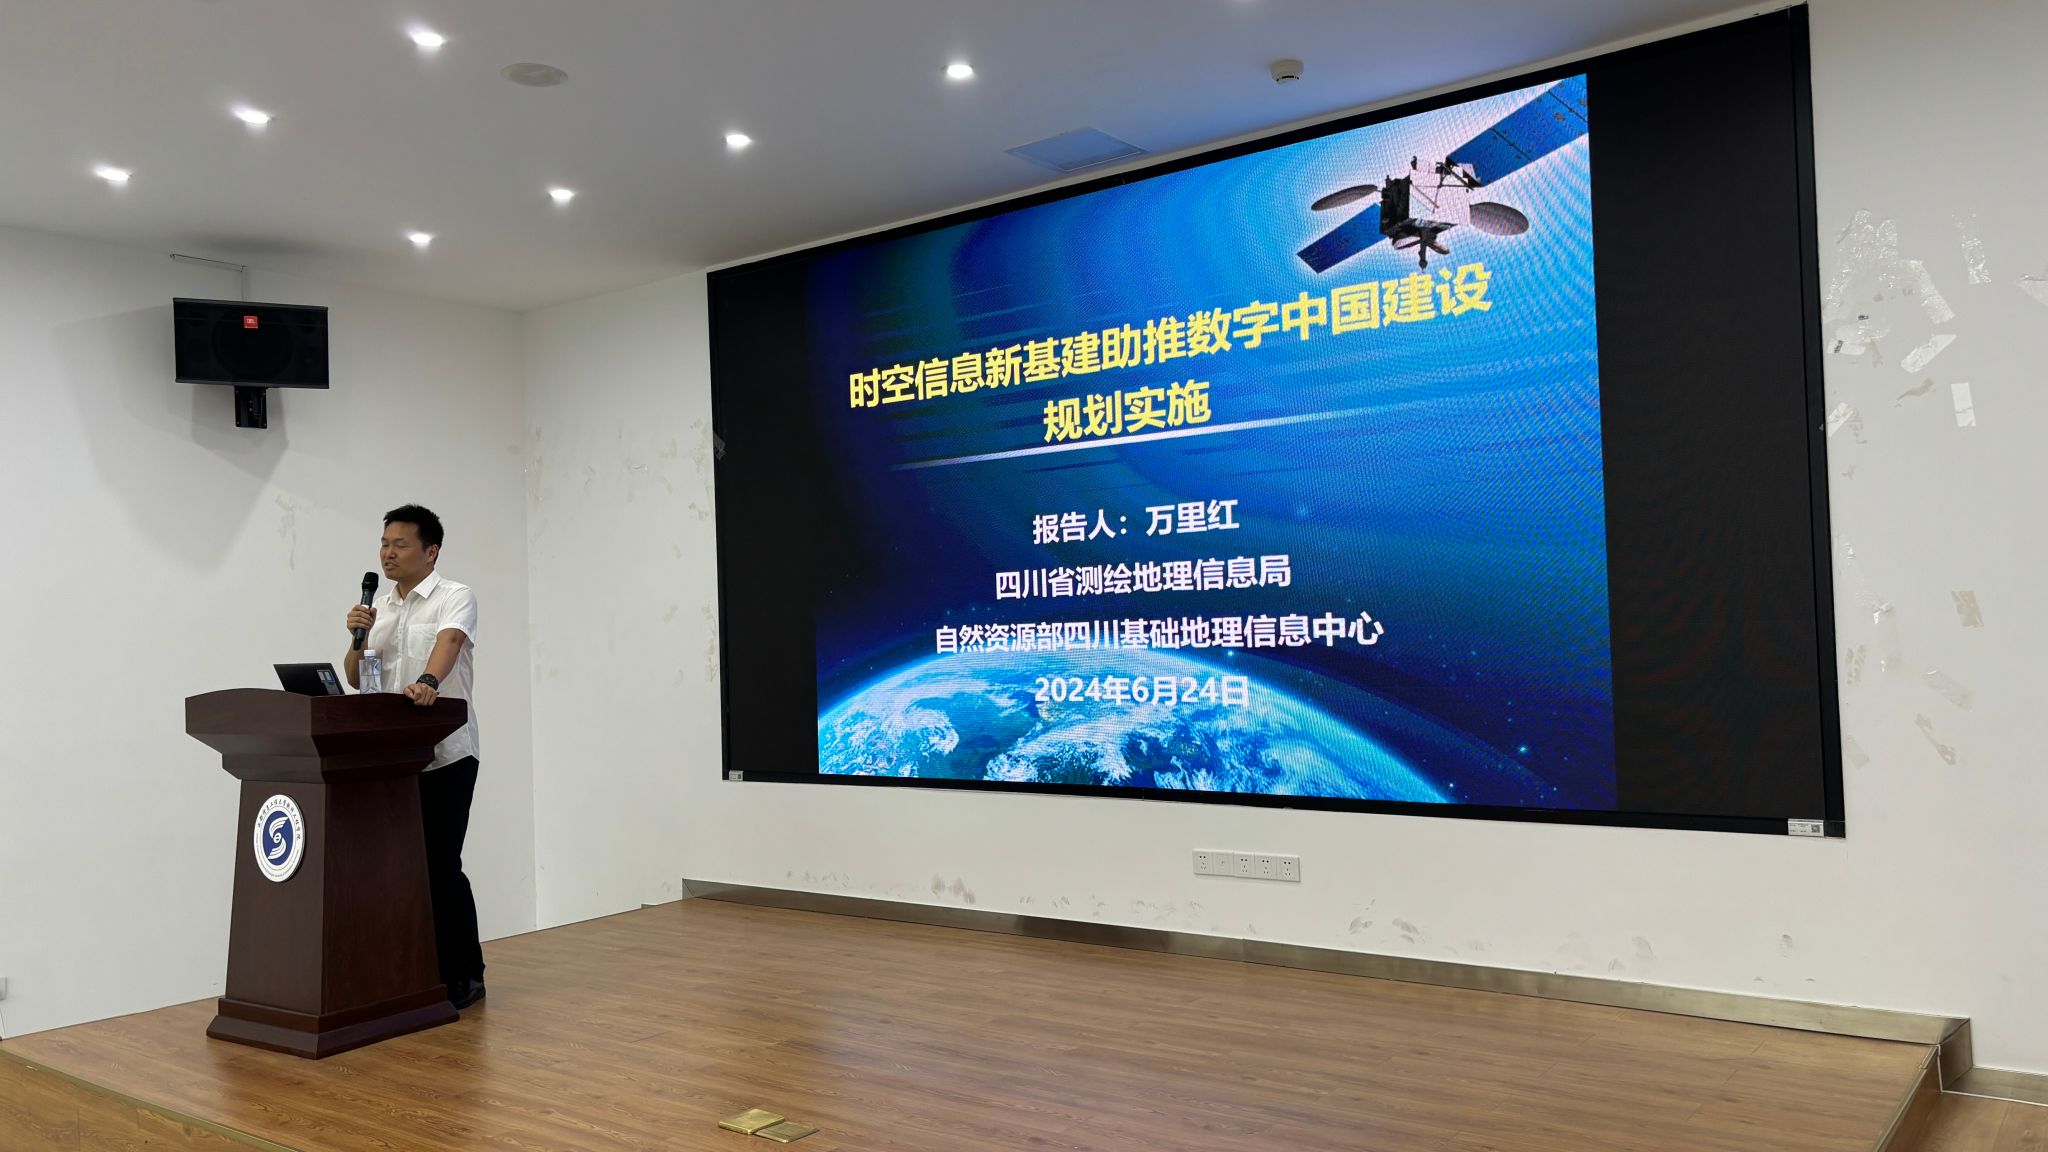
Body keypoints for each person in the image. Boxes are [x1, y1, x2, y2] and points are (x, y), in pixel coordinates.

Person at [342, 504, 486, 1010]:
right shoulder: (378, 609)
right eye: (384, 544)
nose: (388, 553)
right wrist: (357, 638)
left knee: (440, 865)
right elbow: (356, 678)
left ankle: (464, 973)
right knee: (395, 871)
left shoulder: (454, 596)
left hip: (447, 754)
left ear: (431, 552)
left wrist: (428, 681)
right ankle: (411, 973)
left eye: (400, 545)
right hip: (391, 761)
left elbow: (450, 642)